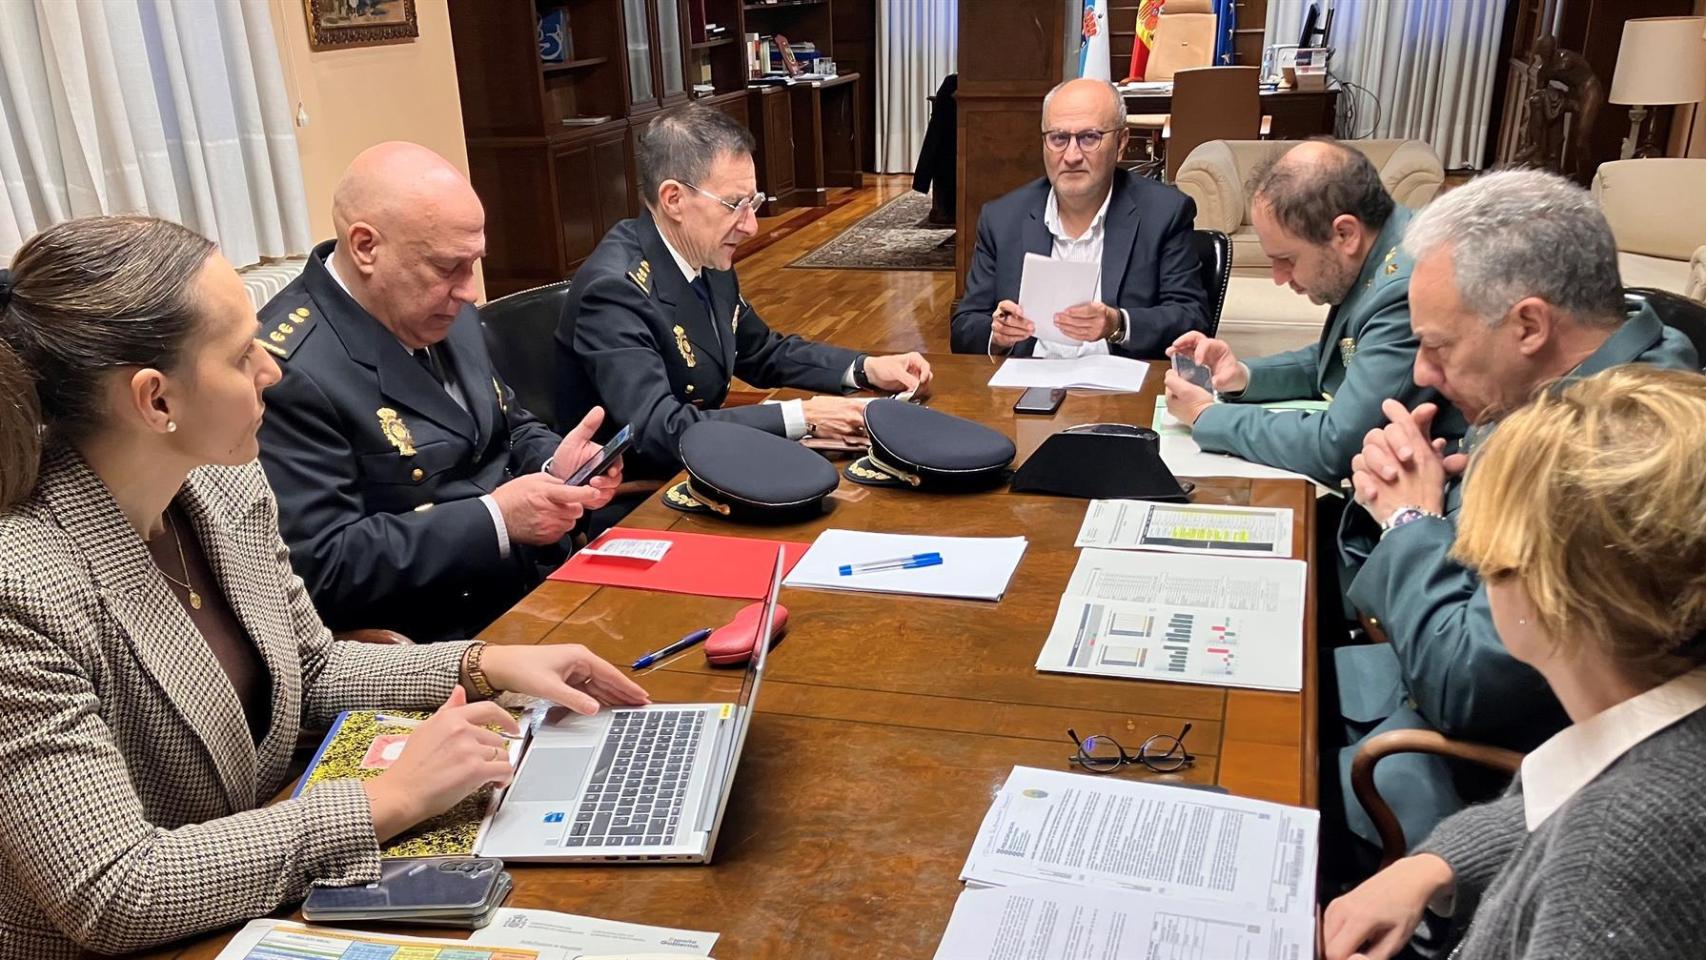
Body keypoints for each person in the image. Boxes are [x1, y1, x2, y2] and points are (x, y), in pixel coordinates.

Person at [0, 215, 649, 957]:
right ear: (155, 400)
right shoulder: (21, 585)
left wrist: (486, 664)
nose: (272, 369)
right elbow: (117, 890)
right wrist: (391, 799)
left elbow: (309, 668)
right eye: (244, 355)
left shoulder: (222, 483)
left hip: (247, 890)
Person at [1332, 169, 1699, 857]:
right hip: (1409, 670)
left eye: (1439, 345)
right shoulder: (1561, 382)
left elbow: (1471, 692)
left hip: (1477, 775)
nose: (1421, 372)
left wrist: (1411, 522)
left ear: (1529, 324)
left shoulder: (1615, 452)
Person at [1324, 366, 1706, 960]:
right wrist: (1438, 860)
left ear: (1542, 593)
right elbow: (1565, 797)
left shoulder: (1609, 864)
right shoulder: (1664, 736)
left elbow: (1614, 839)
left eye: (1479, 554)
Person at [256, 143, 621, 644]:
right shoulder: (287, 370)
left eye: (473, 263)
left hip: (540, 590)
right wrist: (495, 519)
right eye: (449, 266)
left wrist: (557, 467)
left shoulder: (441, 308)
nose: (470, 290)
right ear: (365, 247)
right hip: (438, 641)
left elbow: (505, 425)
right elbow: (323, 566)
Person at [557, 103, 933, 478]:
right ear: (674, 199)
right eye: (735, 205)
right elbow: (657, 429)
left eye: (752, 202)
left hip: (711, 460)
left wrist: (864, 368)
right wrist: (803, 417)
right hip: (644, 492)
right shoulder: (615, 291)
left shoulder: (704, 253)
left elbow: (759, 349)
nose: (751, 225)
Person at [1162, 139, 1461, 486]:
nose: (1277, 278)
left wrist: (1207, 416)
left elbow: (1337, 445)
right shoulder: (1385, 243)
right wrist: (1242, 374)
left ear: (1345, 234)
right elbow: (1342, 356)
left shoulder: (1405, 290)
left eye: (1286, 259)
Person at [949, 77, 1207, 360]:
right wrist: (997, 335)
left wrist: (1118, 324)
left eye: (1089, 138)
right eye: (1059, 138)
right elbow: (964, 327)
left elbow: (1191, 319)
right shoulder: (1002, 218)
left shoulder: (1164, 213)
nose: (1071, 156)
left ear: (1121, 142)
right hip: (1023, 388)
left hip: (1121, 392)